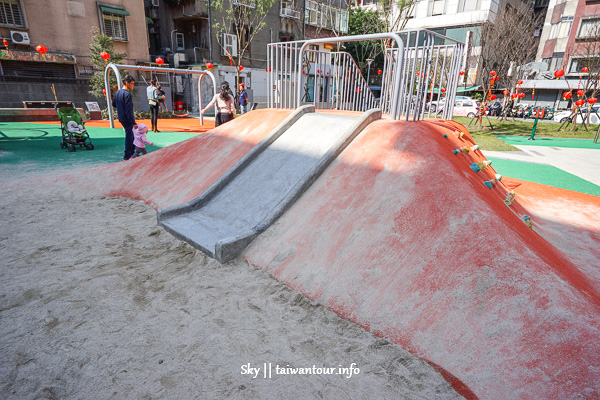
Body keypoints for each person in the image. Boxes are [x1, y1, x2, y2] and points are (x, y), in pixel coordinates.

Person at [112, 75, 136, 160]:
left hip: (121, 117)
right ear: (127, 83)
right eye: (132, 83)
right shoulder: (126, 94)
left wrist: (120, 106)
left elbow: (114, 104)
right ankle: (127, 155)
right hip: (127, 118)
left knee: (132, 135)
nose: (133, 85)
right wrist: (133, 122)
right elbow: (128, 110)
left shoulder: (118, 93)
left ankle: (133, 153)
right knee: (129, 136)